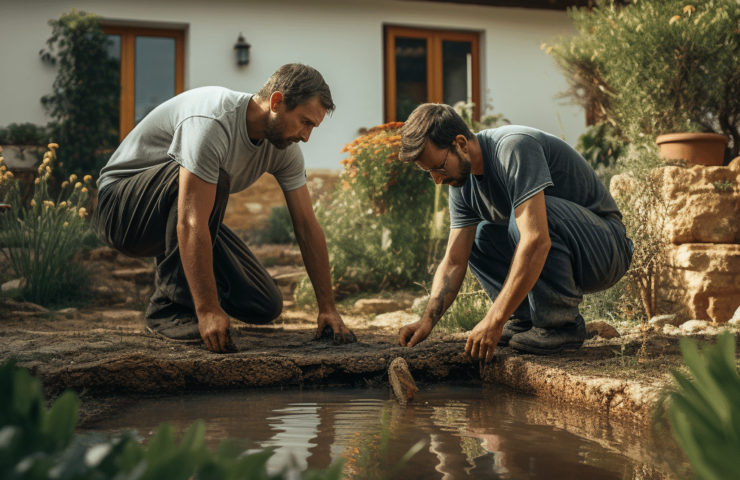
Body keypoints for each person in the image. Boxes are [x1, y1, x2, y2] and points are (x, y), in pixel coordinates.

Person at [92, 64, 356, 353]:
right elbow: (191, 223)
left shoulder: (283, 149)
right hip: (121, 210)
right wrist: (207, 310)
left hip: (178, 211)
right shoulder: (212, 120)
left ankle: (196, 298)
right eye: (304, 122)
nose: (306, 136)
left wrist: (327, 308)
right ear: (277, 102)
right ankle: (169, 311)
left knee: (264, 304)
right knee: (215, 181)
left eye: (312, 127)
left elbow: (306, 225)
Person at [396, 104, 633, 360]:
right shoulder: (461, 184)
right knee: (479, 236)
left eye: (439, 167)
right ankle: (527, 319)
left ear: (461, 143)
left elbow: (536, 239)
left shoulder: (514, 147)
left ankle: (560, 325)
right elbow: (454, 261)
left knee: (532, 220)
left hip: (606, 249)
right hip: (565, 248)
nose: (437, 179)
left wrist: (493, 319)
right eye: (429, 172)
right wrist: (427, 321)